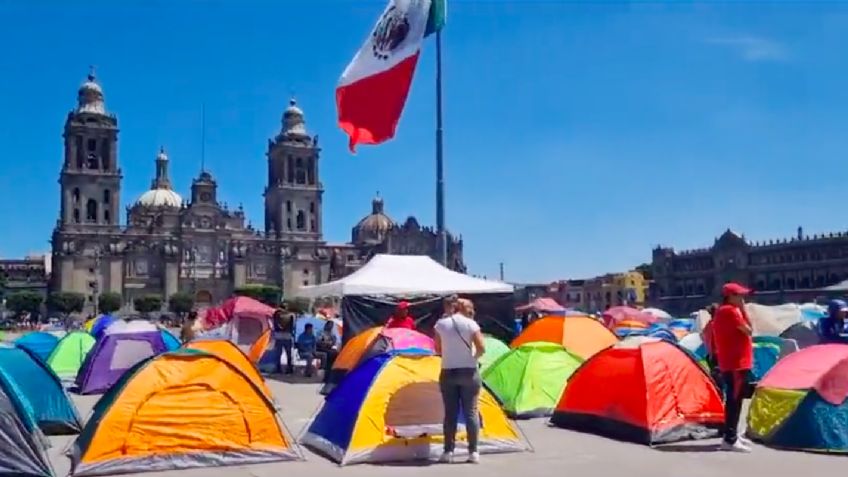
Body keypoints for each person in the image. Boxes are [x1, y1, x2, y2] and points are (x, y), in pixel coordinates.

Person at [434, 297, 486, 464]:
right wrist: (473, 358)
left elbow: (437, 348)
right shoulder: (471, 324)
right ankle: (473, 452)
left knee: (450, 413)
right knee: (471, 412)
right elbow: (481, 347)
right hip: (469, 371)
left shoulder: (440, 324)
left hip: (448, 371)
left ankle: (448, 451)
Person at [712, 282, 755, 453]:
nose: (743, 299)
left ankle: (732, 434)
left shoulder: (722, 311)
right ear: (730, 296)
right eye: (739, 295)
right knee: (734, 400)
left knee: (734, 398)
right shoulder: (731, 311)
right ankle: (730, 439)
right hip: (736, 363)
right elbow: (749, 330)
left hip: (731, 362)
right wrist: (743, 310)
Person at [272, 307, 295, 375]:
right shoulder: (291, 315)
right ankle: (289, 368)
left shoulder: (276, 314)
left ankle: (278, 368)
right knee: (288, 353)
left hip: (278, 335)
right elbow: (292, 326)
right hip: (287, 335)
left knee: (278, 353)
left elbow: (274, 324)